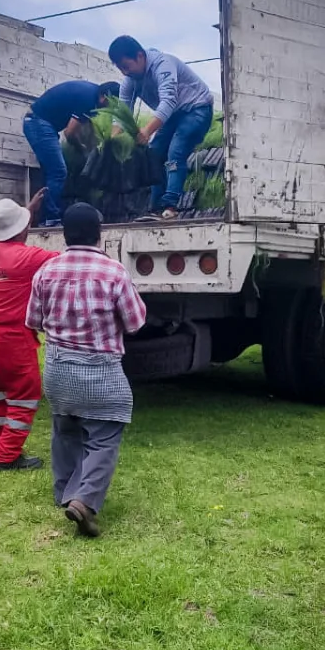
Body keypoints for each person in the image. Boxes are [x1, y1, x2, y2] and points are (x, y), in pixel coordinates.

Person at [26, 202, 146, 536]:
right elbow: (135, 322)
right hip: (101, 373)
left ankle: (65, 494)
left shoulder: (46, 271)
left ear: (64, 234)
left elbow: (32, 320)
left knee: (64, 433)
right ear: (99, 234)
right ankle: (84, 501)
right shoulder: (114, 272)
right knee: (104, 436)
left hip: (58, 370)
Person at [0, 191, 59, 471]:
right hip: (13, 338)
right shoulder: (27, 257)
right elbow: (63, 260)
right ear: (23, 227)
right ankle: (8, 455)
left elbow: (8, 230)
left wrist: (28, 210)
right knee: (25, 394)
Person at [108, 36, 213, 220]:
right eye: (121, 68)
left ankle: (170, 206)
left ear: (140, 56)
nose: (125, 72)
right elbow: (122, 112)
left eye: (126, 66)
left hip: (196, 109)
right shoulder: (130, 81)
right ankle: (156, 208)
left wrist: (147, 130)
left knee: (176, 151)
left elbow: (168, 101)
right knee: (154, 154)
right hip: (174, 116)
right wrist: (112, 141)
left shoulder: (163, 65)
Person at [23, 80, 120, 226]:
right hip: (38, 124)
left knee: (50, 173)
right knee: (58, 171)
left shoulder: (92, 92)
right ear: (105, 97)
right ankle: (52, 220)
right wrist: (81, 148)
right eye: (110, 104)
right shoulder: (88, 100)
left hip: (40, 122)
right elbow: (69, 133)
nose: (107, 108)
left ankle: (44, 218)